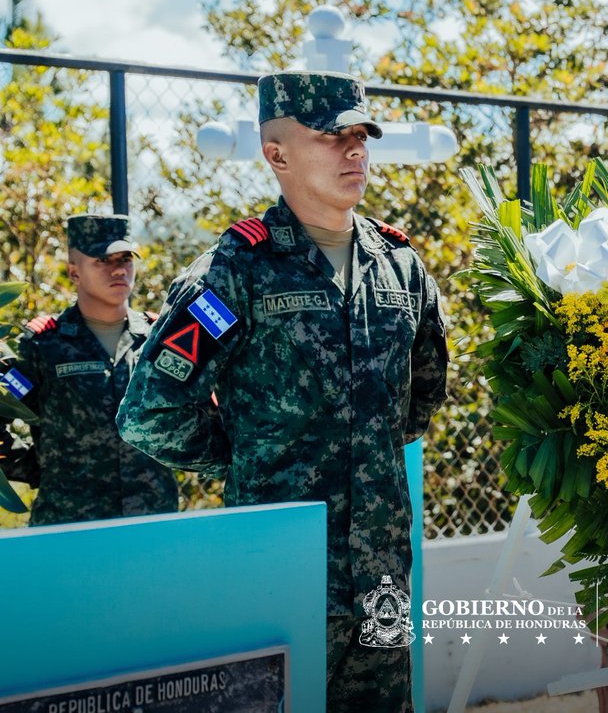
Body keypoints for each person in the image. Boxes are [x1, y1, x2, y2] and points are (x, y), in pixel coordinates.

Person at [116, 71, 449, 713]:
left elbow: (422, 399)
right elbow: (150, 413)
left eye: (360, 135)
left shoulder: (403, 267)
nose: (355, 151)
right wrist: (250, 453)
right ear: (278, 155)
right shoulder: (235, 273)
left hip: (382, 573)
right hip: (277, 568)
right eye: (332, 137)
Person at [0, 214, 178, 525]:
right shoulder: (42, 345)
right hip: (69, 522)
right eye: (102, 260)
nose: (119, 269)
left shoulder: (158, 337)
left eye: (125, 258)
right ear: (74, 271)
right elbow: (3, 406)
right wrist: (35, 466)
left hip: (151, 520)